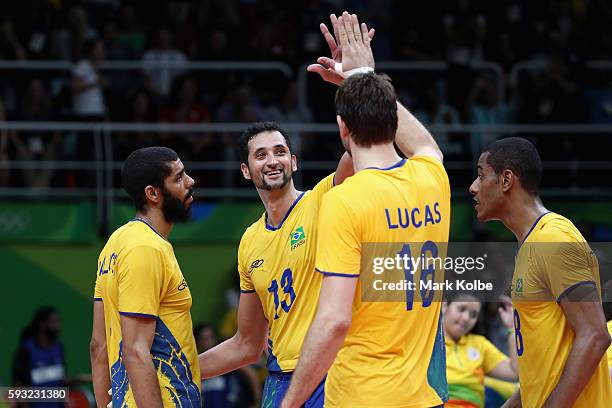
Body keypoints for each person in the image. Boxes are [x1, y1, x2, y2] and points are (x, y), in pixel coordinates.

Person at [198, 13, 377, 408]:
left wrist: (356, 80)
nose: (272, 160)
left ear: (294, 161)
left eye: (280, 152)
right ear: (246, 170)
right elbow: (247, 345)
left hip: (334, 376)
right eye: (261, 155)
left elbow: (363, 143)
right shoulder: (249, 242)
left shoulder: (325, 199)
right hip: (279, 380)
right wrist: (181, 370)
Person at [282, 12, 450, 408]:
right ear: (392, 119)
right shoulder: (433, 177)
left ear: (342, 128)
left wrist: (289, 402)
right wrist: (362, 76)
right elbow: (426, 145)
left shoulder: (345, 200)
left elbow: (334, 320)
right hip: (424, 397)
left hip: (362, 394)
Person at [468, 137, 611, 407]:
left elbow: (595, 335)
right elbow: (545, 366)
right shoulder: (529, 245)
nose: (473, 187)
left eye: (480, 175)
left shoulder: (553, 238)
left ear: (506, 180)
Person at [90, 146, 201, 407]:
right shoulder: (146, 248)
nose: (190, 182)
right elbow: (136, 351)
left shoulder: (115, 243)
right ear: (152, 193)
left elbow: (98, 347)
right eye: (178, 177)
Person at [443, 293, 518, 408]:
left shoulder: (479, 344)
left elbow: (514, 372)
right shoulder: (428, 342)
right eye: (461, 309)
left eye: (473, 315)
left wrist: (512, 328)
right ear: (444, 306)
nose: (466, 318)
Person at [194, 323, 261, 408]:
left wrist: (257, 402)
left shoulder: (223, 357)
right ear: (196, 341)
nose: (208, 341)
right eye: (204, 338)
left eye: (210, 337)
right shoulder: (194, 364)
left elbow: (251, 375)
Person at [12, 307, 66, 408]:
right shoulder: (26, 350)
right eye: (53, 322)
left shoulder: (59, 347)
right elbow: (18, 385)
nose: (58, 326)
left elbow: (60, 381)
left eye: (58, 322)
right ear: (42, 325)